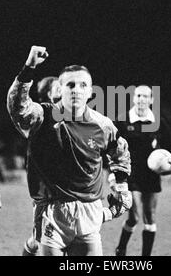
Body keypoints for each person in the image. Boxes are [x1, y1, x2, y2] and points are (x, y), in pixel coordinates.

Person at [7, 45, 132, 256]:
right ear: (60, 89)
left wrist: (121, 184)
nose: (76, 89)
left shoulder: (103, 125)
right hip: (53, 213)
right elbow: (17, 107)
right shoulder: (43, 117)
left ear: (91, 91)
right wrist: (29, 67)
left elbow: (120, 152)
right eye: (70, 85)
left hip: (90, 211)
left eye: (83, 85)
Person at [114, 85, 171, 256]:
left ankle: (146, 259)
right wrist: (113, 174)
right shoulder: (122, 121)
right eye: (138, 96)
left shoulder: (158, 122)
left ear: (151, 100)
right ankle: (121, 248)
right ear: (133, 98)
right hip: (129, 174)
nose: (141, 99)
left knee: (150, 216)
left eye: (145, 96)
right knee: (134, 217)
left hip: (151, 175)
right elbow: (112, 149)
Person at [22, 76, 61, 256]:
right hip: (45, 190)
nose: (63, 90)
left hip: (64, 189)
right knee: (39, 242)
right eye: (58, 87)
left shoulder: (66, 116)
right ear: (48, 93)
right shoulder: (41, 116)